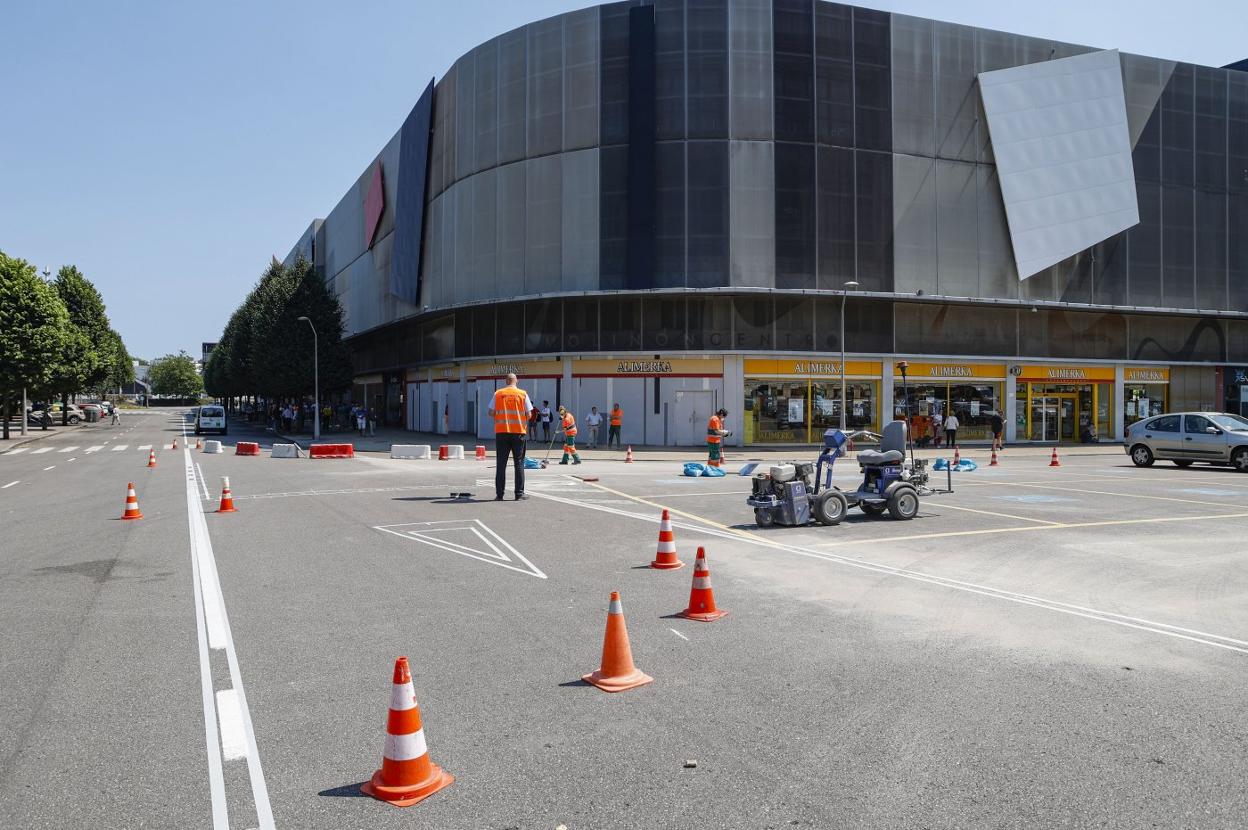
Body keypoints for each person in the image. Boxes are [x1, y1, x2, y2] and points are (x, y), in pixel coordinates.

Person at [488, 373, 535, 500]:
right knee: (518, 463)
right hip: (518, 432)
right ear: (516, 381)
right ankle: (519, 494)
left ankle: (499, 494)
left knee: (501, 464)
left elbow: (490, 412)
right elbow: (529, 415)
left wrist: (502, 415)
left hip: (502, 432)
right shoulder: (522, 394)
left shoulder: (498, 394)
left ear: (506, 381)